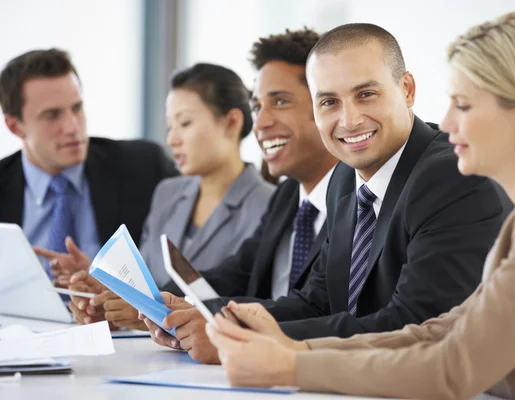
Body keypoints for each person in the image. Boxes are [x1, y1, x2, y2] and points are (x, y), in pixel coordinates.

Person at [206, 12, 515, 399]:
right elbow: (442, 330)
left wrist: (291, 367)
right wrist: (298, 349)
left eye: (462, 105)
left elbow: (453, 364)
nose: (445, 122)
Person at [145, 24, 511, 362]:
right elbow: (317, 303)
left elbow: (415, 324)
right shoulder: (344, 180)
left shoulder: (453, 177)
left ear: (407, 90)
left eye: (366, 94)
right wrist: (206, 314)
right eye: (329, 102)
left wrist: (242, 339)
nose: (348, 120)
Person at [75, 29, 340, 339]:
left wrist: (203, 320)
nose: (262, 122)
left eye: (280, 101)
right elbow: (230, 276)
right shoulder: (288, 199)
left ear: (326, 104)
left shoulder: (356, 203)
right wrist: (142, 301)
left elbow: (313, 309)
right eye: (257, 107)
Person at [53, 63, 276, 328]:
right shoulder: (167, 193)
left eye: (185, 123)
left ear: (232, 122)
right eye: (170, 126)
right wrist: (108, 301)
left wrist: (143, 312)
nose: (172, 139)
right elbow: (145, 288)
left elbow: (249, 303)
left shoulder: (269, 205)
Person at [0, 48, 178, 285]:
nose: (73, 126)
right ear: (15, 127)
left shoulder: (143, 166)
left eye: (76, 108)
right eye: (52, 115)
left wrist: (104, 282)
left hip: (121, 321)